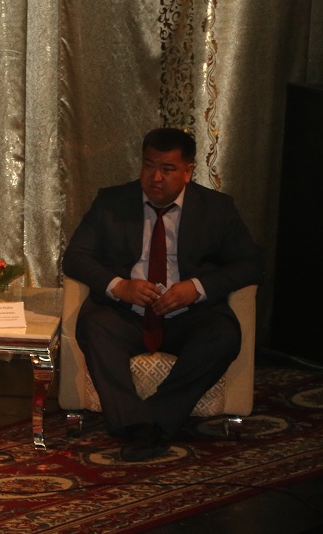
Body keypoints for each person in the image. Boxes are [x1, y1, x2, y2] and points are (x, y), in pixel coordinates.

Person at [63, 127, 260, 462]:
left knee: (223, 335)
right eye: (148, 166)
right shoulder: (111, 202)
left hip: (189, 315)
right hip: (126, 313)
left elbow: (250, 263)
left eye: (167, 169)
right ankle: (140, 425)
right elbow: (75, 257)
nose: (155, 178)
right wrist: (119, 286)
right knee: (94, 327)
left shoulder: (217, 208)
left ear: (188, 171)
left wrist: (196, 288)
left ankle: (150, 422)